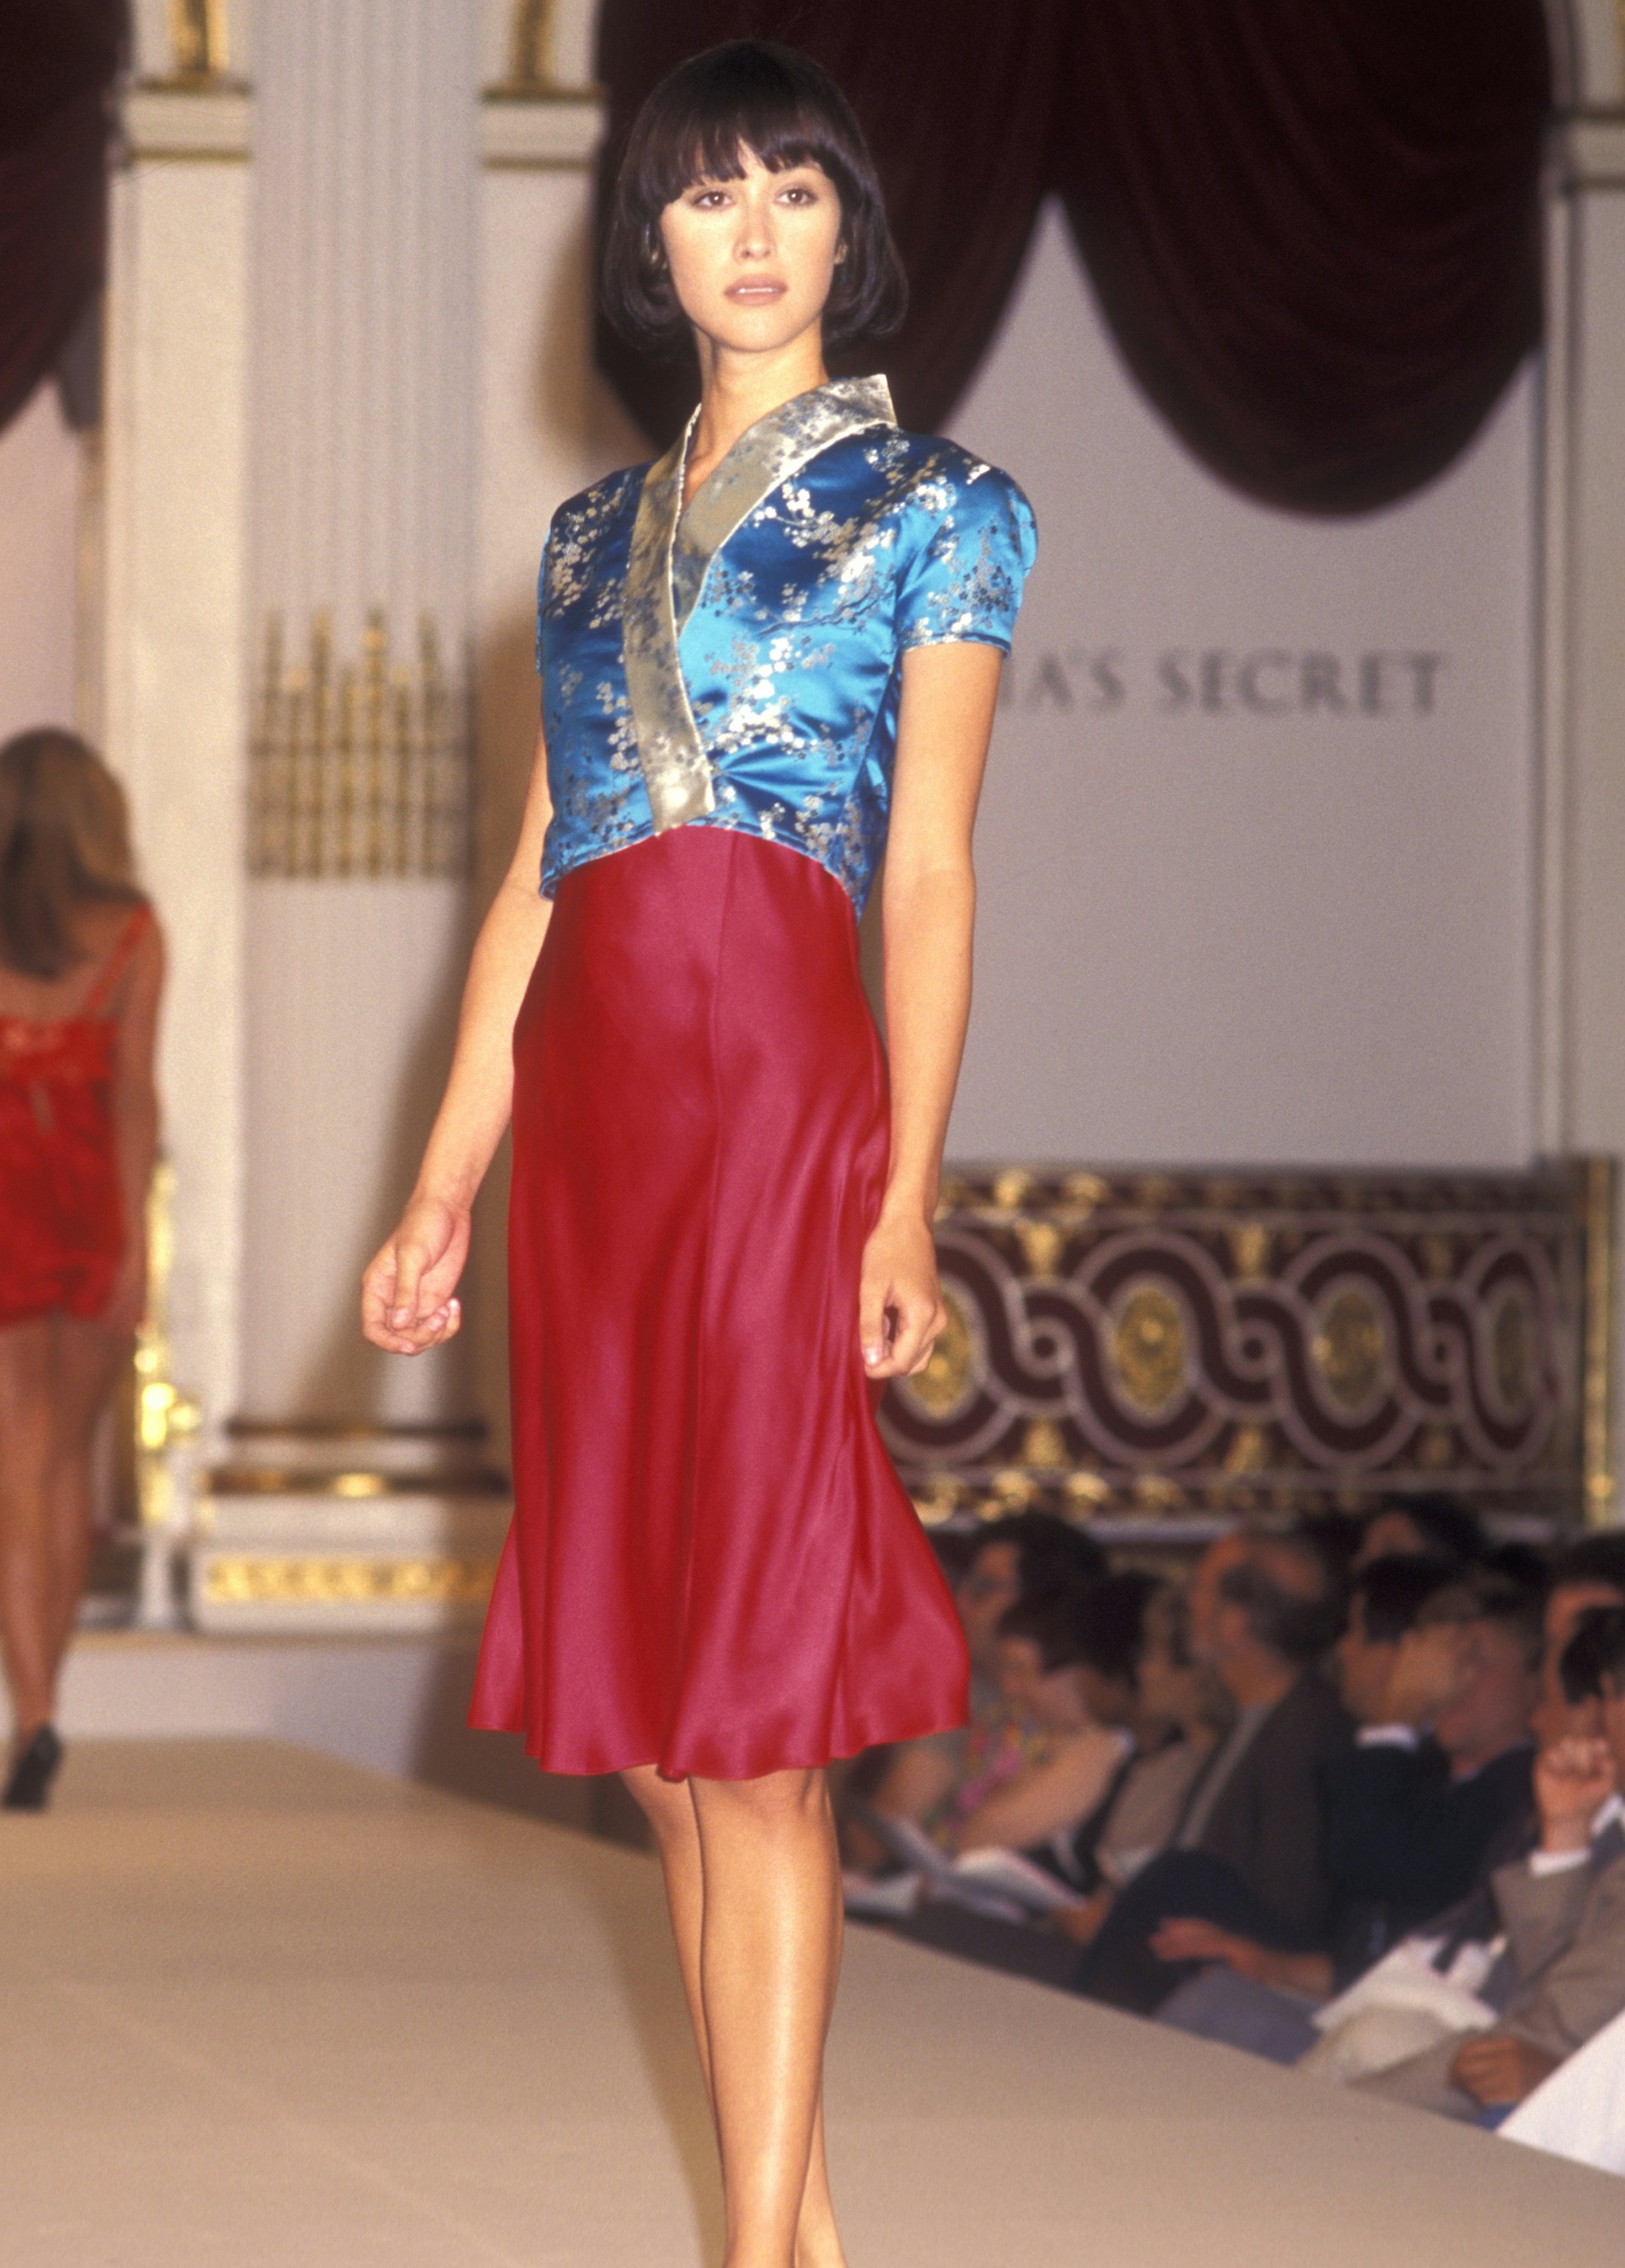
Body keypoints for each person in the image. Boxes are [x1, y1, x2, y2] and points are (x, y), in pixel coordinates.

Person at [360, 42, 1035, 2268]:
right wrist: (448, 1173)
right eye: (703, 194)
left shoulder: (940, 507)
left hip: (771, 1110)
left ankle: (752, 2242)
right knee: (653, 1732)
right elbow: (533, 884)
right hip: (592, 1145)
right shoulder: (578, 542)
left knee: (755, 1727)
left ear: (848, 229)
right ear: (646, 245)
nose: (749, 230)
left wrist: (902, 1182)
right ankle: (798, 2224)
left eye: (793, 191)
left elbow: (924, 872)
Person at [1155, 1565, 1540, 2053]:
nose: (1451, 1685)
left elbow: (1373, 1859)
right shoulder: (1423, 1771)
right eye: (1438, 1663)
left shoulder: (1523, 1791)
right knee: (1196, 1948)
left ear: (1535, 1679)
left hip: (1415, 2028)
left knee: (1214, 2004)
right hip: (1343, 1994)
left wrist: (1397, 1718)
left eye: (1472, 1661)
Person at [0, 727, 162, 1810]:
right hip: (86, 1203)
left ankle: (36, 1713)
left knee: (20, 1466)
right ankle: (43, 1703)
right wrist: (138, 1244)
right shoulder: (132, 933)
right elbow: (137, 1101)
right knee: (65, 1465)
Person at [1349, 1603, 1625, 2121]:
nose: (1602, 1721)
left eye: (1610, 1697)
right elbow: (1544, 1997)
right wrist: (1564, 1838)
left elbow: (1547, 2035)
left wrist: (1564, 2079)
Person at [1069, 1527, 1351, 2014]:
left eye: (1200, 1587)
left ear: (1236, 1623)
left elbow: (1285, 1910)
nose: (1189, 1603)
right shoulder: (1253, 1719)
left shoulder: (1308, 1735)